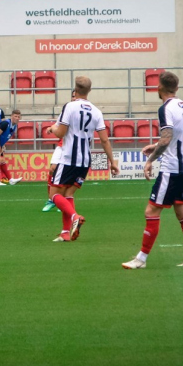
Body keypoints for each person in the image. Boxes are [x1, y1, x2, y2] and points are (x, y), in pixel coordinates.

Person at [122, 72, 183, 269]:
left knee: (151, 210)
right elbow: (174, 137)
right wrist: (155, 145)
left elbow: (167, 138)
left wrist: (150, 160)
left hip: (171, 170)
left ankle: (141, 259)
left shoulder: (165, 108)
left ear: (159, 87)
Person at [47, 76, 119, 242]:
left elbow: (60, 133)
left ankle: (74, 217)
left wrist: (52, 128)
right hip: (85, 160)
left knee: (54, 194)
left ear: (75, 89)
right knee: (68, 194)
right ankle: (66, 232)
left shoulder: (70, 107)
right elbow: (104, 140)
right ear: (89, 90)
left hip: (68, 158)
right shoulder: (96, 111)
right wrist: (112, 162)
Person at [42, 90, 75, 212]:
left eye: (76, 96)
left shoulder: (82, 111)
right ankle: (51, 200)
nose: (74, 98)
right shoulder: (66, 109)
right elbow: (59, 124)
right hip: (62, 145)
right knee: (52, 170)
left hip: (73, 148)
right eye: (72, 96)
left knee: (68, 175)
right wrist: (52, 128)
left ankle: (64, 201)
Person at [0, 109, 23, 186]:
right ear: (11, 116)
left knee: (2, 161)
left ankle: (10, 180)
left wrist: (3, 145)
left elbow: (5, 136)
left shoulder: (14, 126)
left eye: (19, 117)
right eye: (15, 116)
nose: (17, 118)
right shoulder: (5, 123)